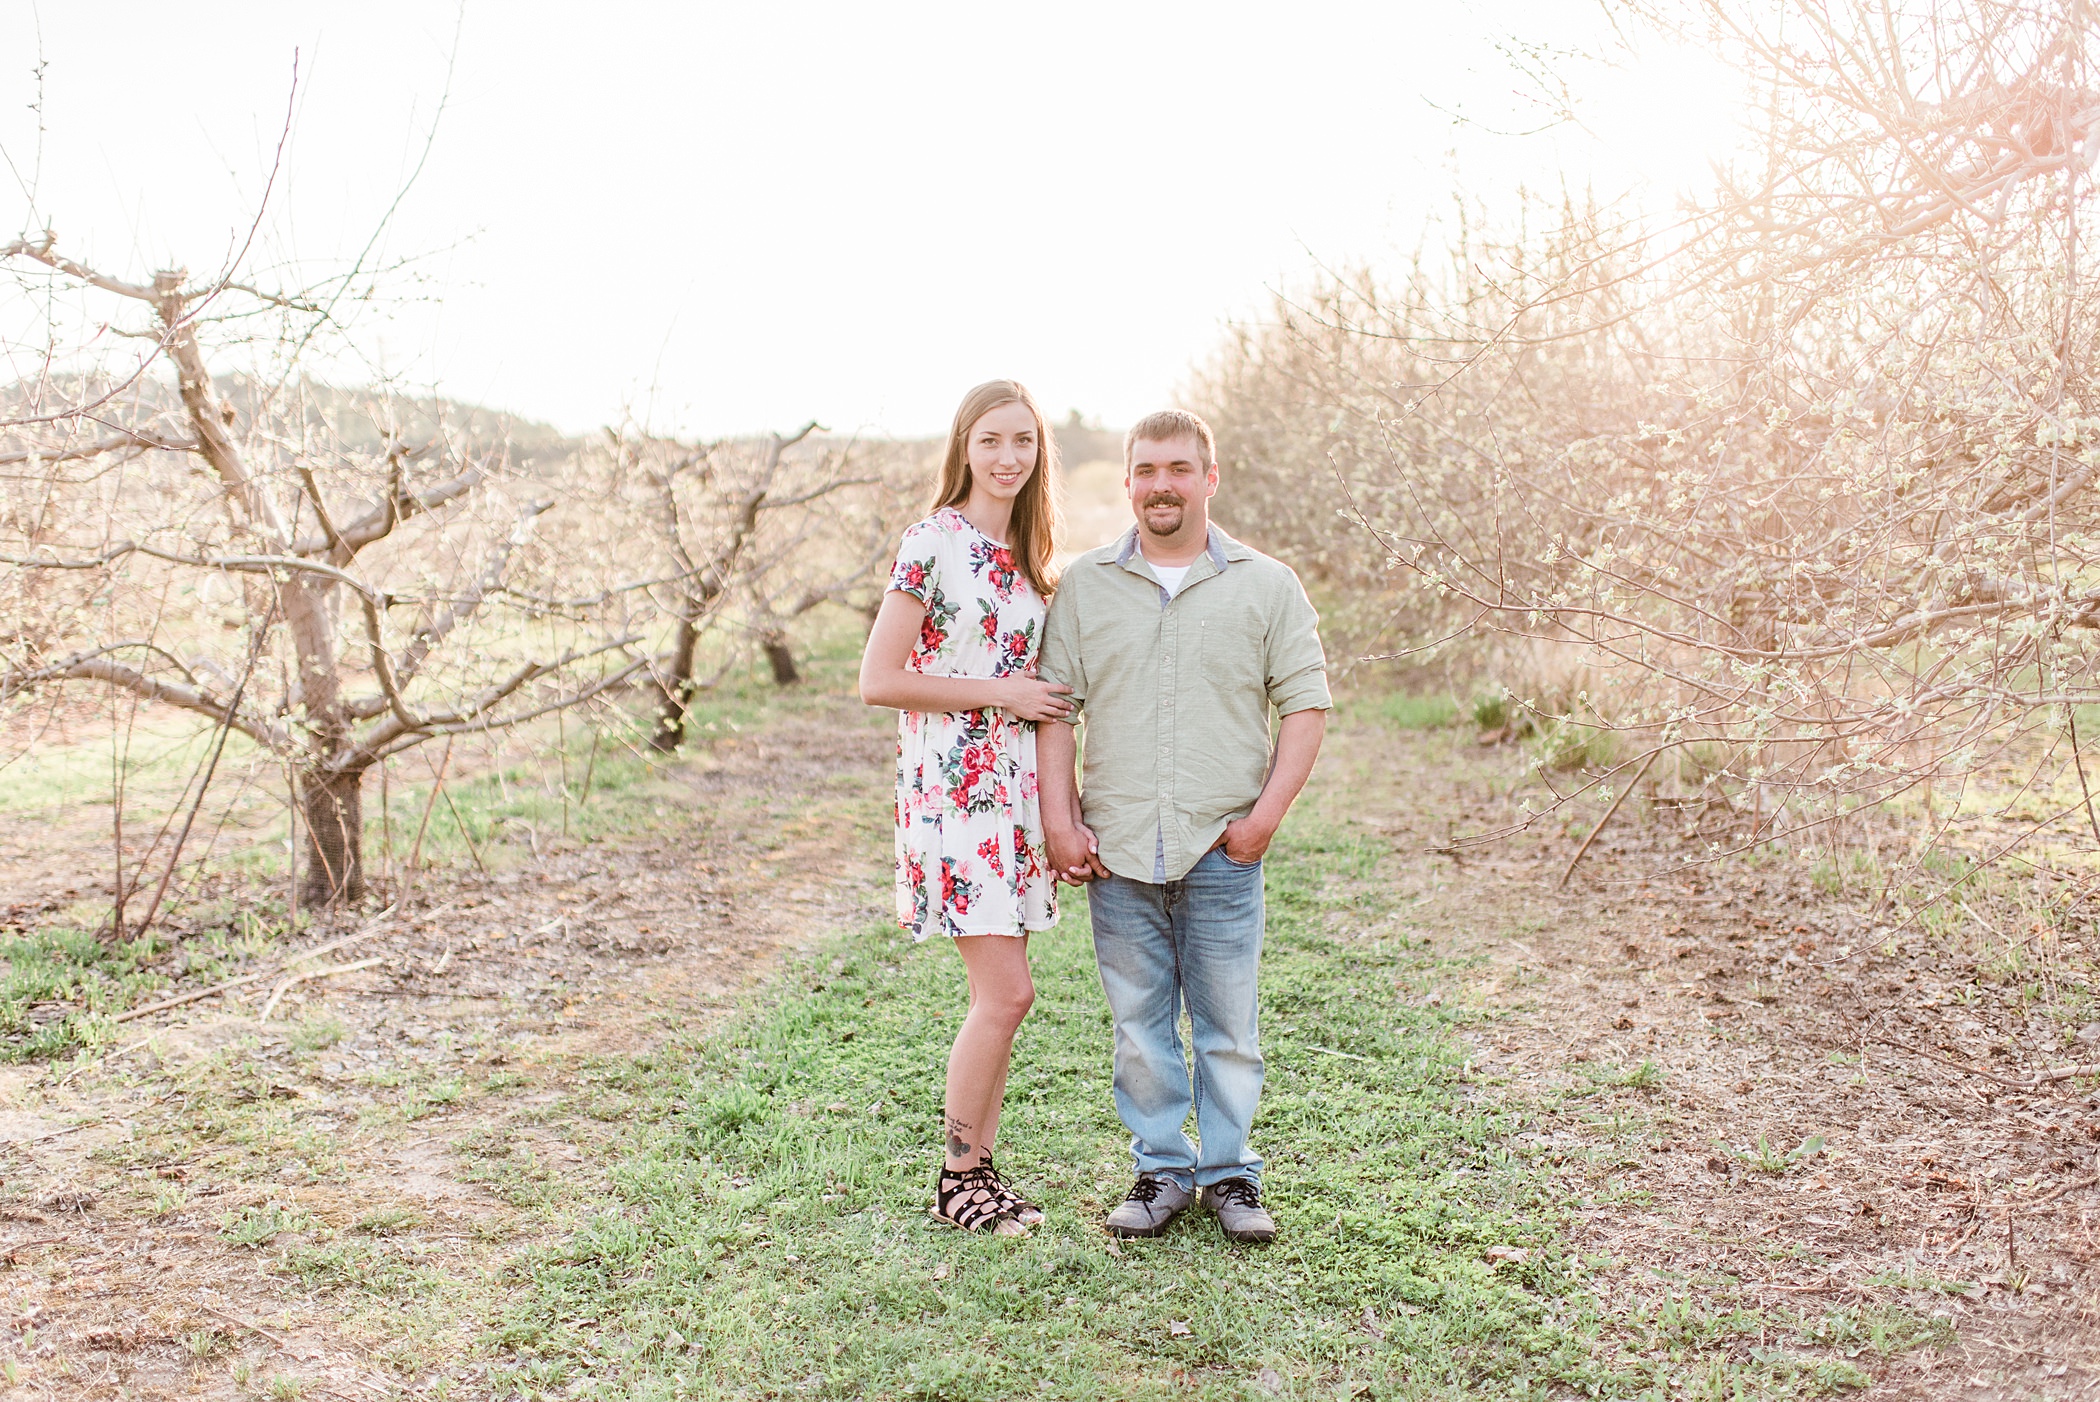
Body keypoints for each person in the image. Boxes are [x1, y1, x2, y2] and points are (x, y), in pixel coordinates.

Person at [1037, 409, 1329, 1245]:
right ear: (1127, 481)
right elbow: (1056, 710)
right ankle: (1162, 1168)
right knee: (1139, 1025)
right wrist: (1061, 820)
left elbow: (1305, 707)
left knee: (1229, 1026)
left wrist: (1263, 822)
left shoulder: (1268, 586)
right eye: (1145, 470)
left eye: (1177, 468)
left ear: (1209, 478)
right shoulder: (1088, 586)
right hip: (1119, 850)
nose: (1160, 485)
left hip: (1221, 847)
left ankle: (1231, 1175)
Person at [858, 379, 1072, 1236]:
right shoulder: (933, 542)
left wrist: (1061, 809)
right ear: (965, 447)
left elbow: (1049, 697)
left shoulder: (1029, 558)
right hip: (954, 789)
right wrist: (1000, 695)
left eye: (1023, 441)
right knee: (1006, 994)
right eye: (991, 441)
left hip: (1010, 797)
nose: (1008, 457)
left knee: (1006, 997)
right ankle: (956, 1179)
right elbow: (879, 679)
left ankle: (981, 1171)